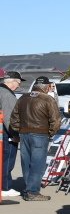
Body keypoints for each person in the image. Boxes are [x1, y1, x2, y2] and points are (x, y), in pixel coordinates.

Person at [11, 76, 62, 200]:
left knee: (26, 163)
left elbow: (14, 118)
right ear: (46, 87)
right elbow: (56, 120)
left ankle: (29, 189)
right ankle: (32, 192)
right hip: (40, 134)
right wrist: (50, 133)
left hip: (24, 134)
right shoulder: (48, 99)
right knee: (37, 164)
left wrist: (18, 131)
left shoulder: (23, 97)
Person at [1, 69, 23, 197]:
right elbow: (9, 118)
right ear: (13, 82)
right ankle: (6, 187)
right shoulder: (7, 95)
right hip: (5, 133)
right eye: (19, 82)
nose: (19, 85)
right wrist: (14, 135)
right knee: (7, 159)